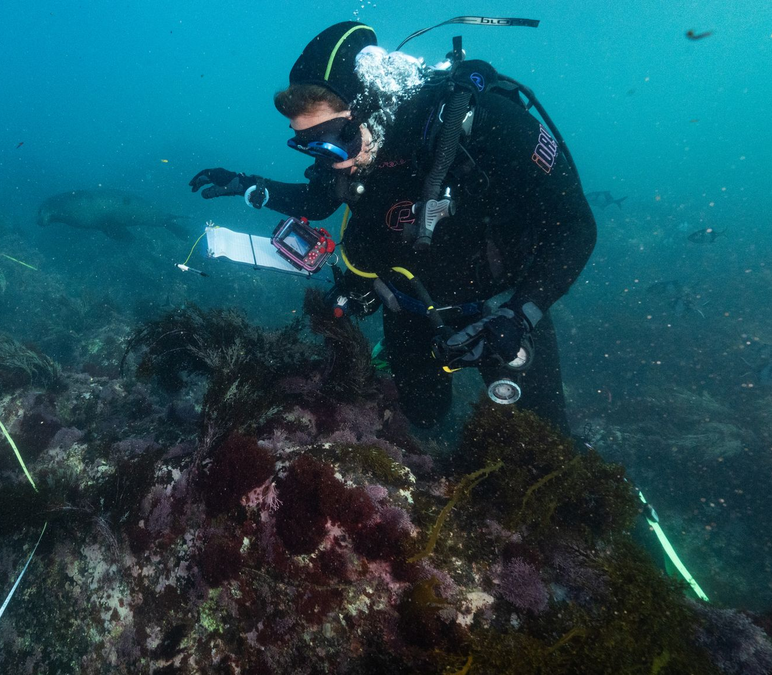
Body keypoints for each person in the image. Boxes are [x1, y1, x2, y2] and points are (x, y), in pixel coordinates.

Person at [189, 21, 595, 434]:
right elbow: (319, 200)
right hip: (410, 308)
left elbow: (576, 225)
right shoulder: (345, 153)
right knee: (423, 416)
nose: (331, 161)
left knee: (543, 436)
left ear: (369, 108)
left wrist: (521, 313)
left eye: (333, 140)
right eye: (309, 145)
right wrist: (248, 185)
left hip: (500, 305)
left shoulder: (487, 122)